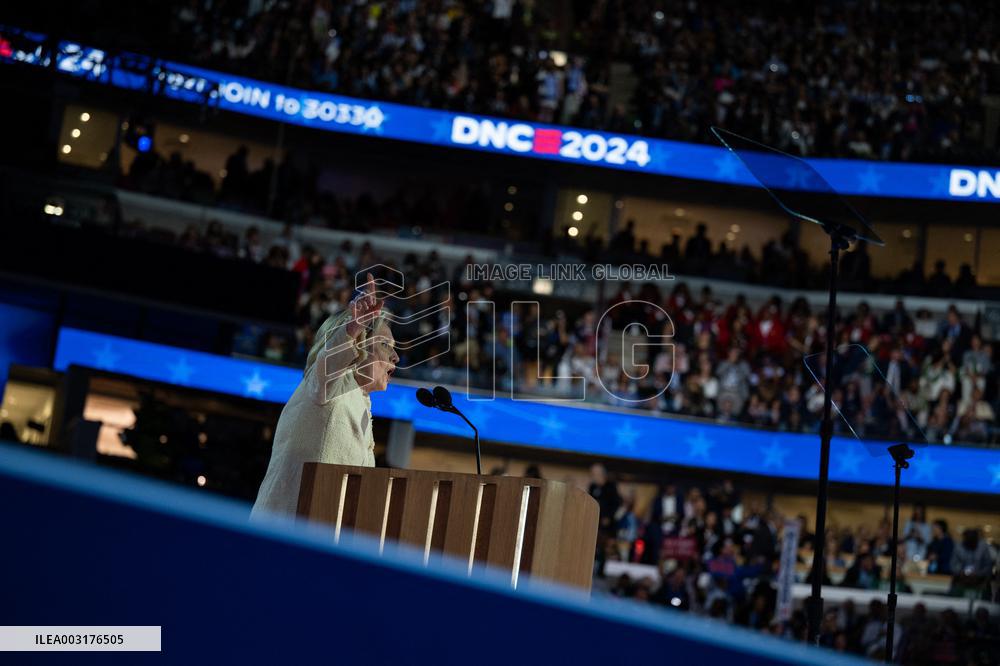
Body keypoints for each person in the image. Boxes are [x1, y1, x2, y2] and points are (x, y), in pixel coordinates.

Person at [251, 274, 398, 518]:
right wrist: (353, 328)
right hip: (282, 535)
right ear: (359, 345)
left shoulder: (360, 401)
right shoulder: (327, 385)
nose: (396, 357)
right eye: (386, 345)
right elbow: (329, 365)